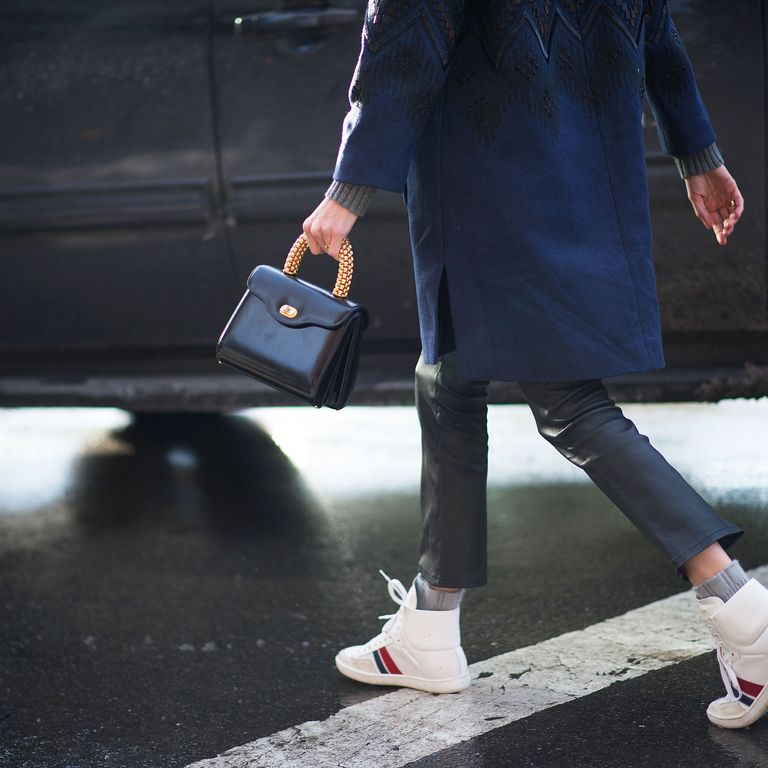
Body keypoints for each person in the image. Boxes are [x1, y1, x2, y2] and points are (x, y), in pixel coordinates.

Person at [302, 0, 766, 730]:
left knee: (567, 401)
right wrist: (698, 153)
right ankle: (430, 625)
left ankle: (742, 608)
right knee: (448, 378)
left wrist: (346, 193)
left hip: (484, 175)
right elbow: (657, 32)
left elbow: (404, 40)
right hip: (581, 165)